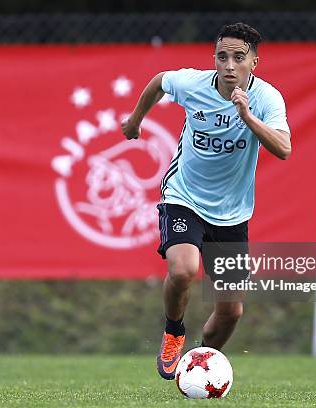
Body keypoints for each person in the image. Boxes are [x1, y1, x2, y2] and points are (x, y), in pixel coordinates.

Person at [121, 22, 291, 380]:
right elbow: (158, 82)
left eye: (238, 58)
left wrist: (247, 117)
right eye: (222, 56)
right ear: (213, 58)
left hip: (231, 213)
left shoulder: (266, 98)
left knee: (231, 313)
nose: (229, 65)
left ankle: (200, 365)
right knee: (183, 269)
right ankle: (173, 331)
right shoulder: (192, 84)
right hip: (184, 196)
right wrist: (135, 121)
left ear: (254, 63)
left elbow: (284, 149)